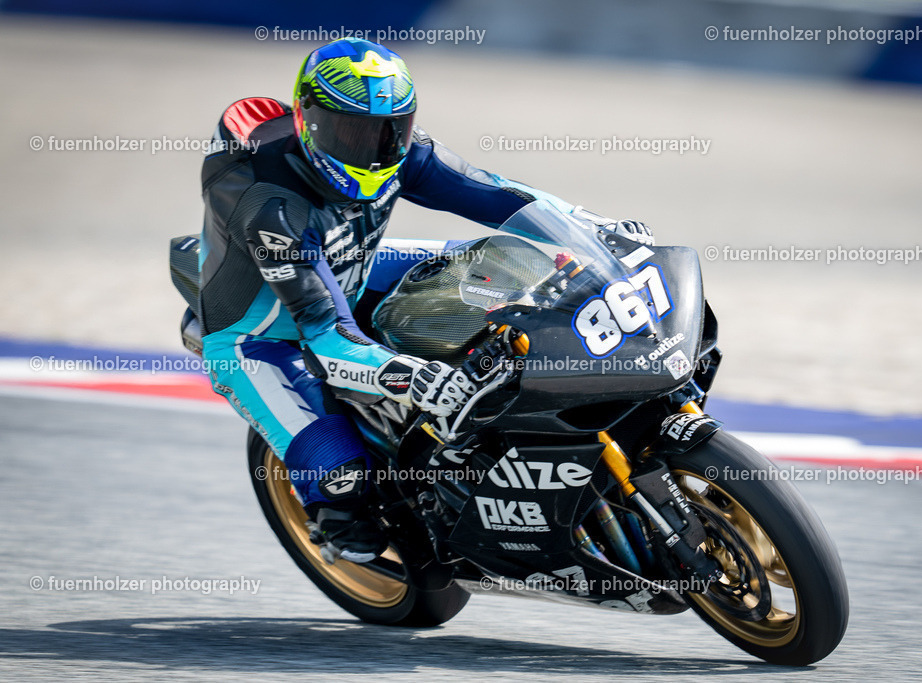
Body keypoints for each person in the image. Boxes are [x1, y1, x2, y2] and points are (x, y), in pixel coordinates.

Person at [197, 38, 653, 564]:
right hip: (263, 338)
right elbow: (324, 336)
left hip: (354, 268)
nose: (373, 148)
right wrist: (416, 376)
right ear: (307, 121)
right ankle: (337, 515)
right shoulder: (268, 205)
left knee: (516, 263)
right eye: (351, 132)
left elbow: (498, 194)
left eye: (390, 131)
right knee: (343, 484)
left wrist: (591, 228)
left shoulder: (397, 157)